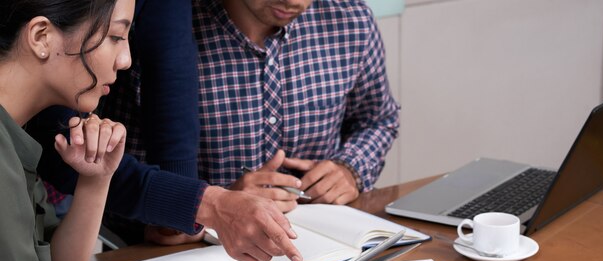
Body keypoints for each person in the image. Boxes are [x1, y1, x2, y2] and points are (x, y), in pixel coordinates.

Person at [0, 1, 318, 261]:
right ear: (41, 37)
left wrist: (96, 180)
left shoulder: (17, 134)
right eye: (115, 36)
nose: (127, 57)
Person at [32, 0, 399, 246]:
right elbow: (92, 152)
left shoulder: (348, 19)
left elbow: (378, 119)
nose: (294, 1)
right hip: (180, 258)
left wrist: (350, 169)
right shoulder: (146, 32)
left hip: (318, 247)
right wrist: (211, 206)